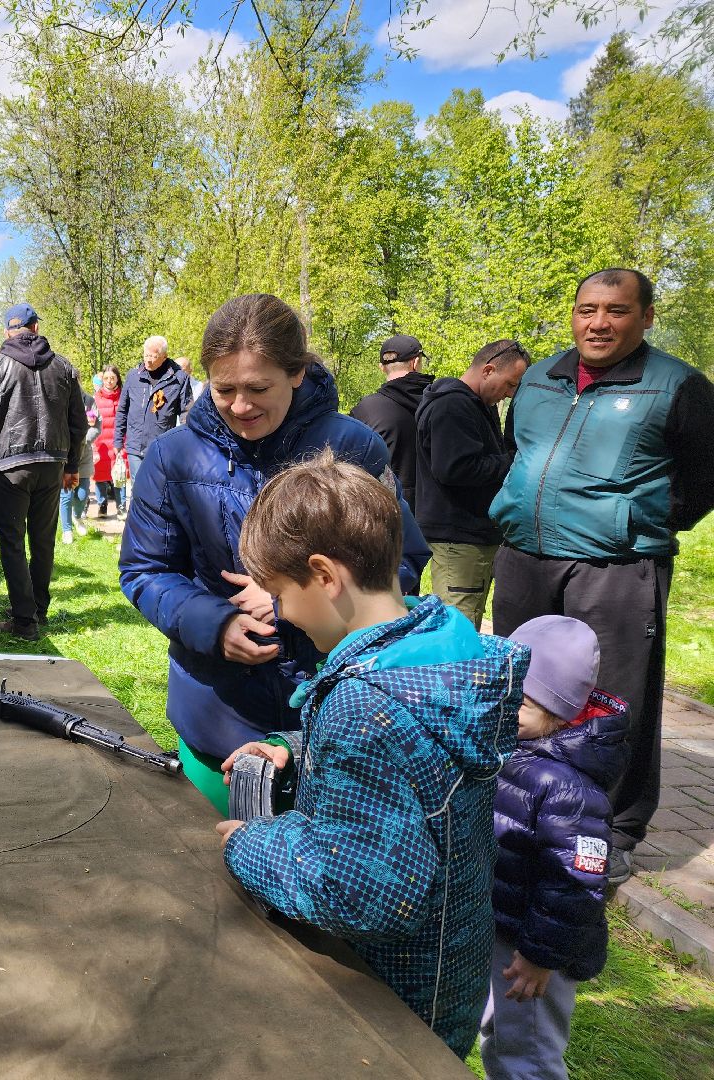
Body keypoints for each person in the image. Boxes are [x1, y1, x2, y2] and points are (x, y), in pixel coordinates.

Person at [217, 451, 523, 1058]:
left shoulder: (364, 706)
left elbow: (365, 893)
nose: (279, 609)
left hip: (387, 1013)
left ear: (325, 575)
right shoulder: (438, 646)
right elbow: (416, 762)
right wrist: (298, 753)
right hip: (449, 974)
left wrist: (248, 845)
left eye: (280, 590)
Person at [119, 294, 429, 809]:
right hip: (217, 711)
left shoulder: (356, 448)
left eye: (258, 387)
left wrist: (292, 595)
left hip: (336, 709)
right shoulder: (173, 456)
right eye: (225, 389)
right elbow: (145, 569)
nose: (241, 405)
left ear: (299, 374)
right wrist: (214, 624)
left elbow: (402, 565)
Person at [490, 267, 714, 886]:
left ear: (645, 317)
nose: (599, 323)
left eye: (616, 311)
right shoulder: (538, 379)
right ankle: (516, 801)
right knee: (516, 683)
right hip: (528, 554)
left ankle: (612, 828)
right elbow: (519, 455)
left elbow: (702, 477)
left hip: (617, 564)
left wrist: (635, 520)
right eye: (587, 309)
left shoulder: (677, 386)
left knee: (616, 697)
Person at [480, 615, 627, 1080]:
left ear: (559, 713)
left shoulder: (568, 790)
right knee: (498, 1035)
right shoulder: (519, 744)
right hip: (504, 931)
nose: (504, 708)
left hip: (537, 953)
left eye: (519, 702)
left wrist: (540, 957)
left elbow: (577, 887)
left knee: (529, 1055)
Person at [0, 303, 87, 641]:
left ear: (8, 332)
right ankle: (37, 609)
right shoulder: (63, 366)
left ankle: (25, 619)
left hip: (11, 465)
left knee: (11, 541)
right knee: (43, 539)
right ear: (35, 328)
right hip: (52, 463)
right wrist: (72, 466)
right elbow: (78, 424)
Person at [413, 339, 530, 627]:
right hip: (459, 538)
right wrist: (516, 460)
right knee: (457, 631)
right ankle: (454, 675)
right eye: (510, 384)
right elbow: (454, 468)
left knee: (467, 625)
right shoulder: (453, 405)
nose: (509, 394)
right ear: (488, 370)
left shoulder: (475, 404)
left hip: (470, 537)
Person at [350, 334, 434, 516]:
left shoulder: (366, 409)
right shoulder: (439, 403)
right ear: (416, 362)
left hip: (383, 511)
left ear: (382, 368)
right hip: (435, 517)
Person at [114, 335, 190, 483]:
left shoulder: (179, 378)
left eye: (153, 356)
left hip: (161, 445)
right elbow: (122, 410)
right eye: (146, 355)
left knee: (157, 487)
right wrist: (118, 440)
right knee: (138, 487)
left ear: (164, 356)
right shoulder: (133, 376)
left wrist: (186, 442)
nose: (148, 360)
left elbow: (186, 411)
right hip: (135, 444)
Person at [60, 390, 98, 543]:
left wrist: (82, 439)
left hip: (84, 454)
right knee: (66, 495)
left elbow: (97, 426)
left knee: (82, 494)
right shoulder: (60, 398)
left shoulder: (89, 401)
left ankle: (77, 517)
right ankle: (67, 529)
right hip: (66, 455)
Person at [91, 364, 124, 517]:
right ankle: (102, 505)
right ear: (102, 380)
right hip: (101, 443)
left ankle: (121, 506)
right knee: (100, 476)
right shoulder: (95, 399)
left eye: (112, 378)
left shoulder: (124, 396)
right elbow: (90, 421)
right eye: (106, 378)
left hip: (119, 442)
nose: (109, 381)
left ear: (117, 378)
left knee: (119, 475)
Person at [173, 355, 203, 422]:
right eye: (175, 370)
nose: (178, 374)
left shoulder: (200, 388)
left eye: (182, 370)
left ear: (190, 370)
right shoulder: (169, 388)